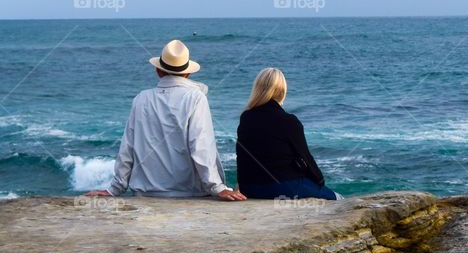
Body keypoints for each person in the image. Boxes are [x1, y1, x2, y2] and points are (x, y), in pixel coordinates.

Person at [85, 40, 245, 201]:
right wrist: (217, 187)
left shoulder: (141, 99)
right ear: (188, 73)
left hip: (145, 194)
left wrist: (115, 188)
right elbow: (200, 146)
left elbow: (127, 148)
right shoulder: (195, 98)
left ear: (158, 70)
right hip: (189, 193)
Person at [236, 67, 341, 200]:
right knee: (338, 198)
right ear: (282, 91)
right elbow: (305, 156)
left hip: (251, 188)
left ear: (257, 89)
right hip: (283, 186)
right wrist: (319, 181)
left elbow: (241, 155)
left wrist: (242, 185)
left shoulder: (246, 117)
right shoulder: (289, 121)